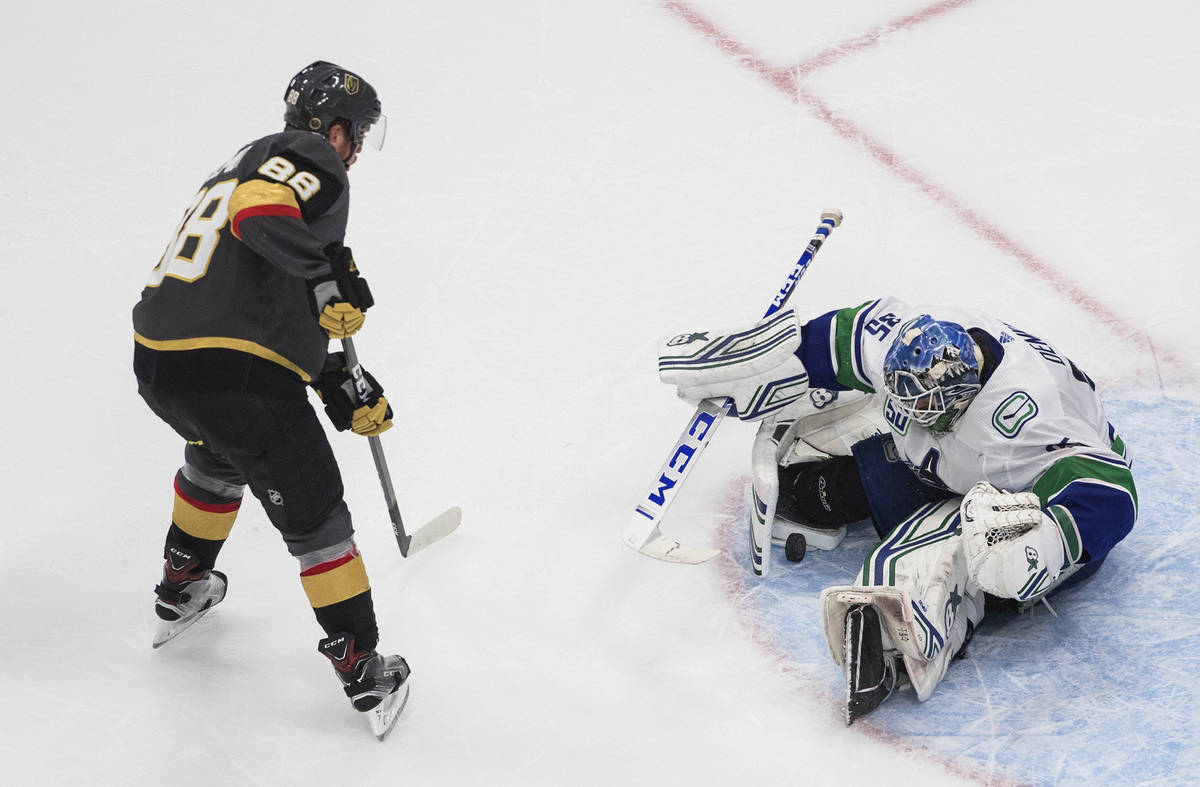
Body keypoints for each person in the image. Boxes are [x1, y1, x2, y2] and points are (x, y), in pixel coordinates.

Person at [658, 296, 1137, 724]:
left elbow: (1112, 492)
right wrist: (769, 361)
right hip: (957, 460)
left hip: (1033, 494)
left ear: (959, 396)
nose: (910, 411)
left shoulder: (1027, 423)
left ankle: (912, 632)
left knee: (967, 552)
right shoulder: (917, 338)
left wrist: (1049, 543)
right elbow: (847, 338)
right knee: (835, 466)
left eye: (924, 402)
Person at [132, 61, 409, 735]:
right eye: (357, 132)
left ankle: (181, 584)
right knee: (315, 513)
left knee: (217, 457)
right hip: (235, 375)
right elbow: (262, 213)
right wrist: (322, 277)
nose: (358, 147)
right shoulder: (306, 156)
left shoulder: (236, 167)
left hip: (163, 367)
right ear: (333, 128)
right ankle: (360, 662)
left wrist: (337, 384)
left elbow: (260, 291)